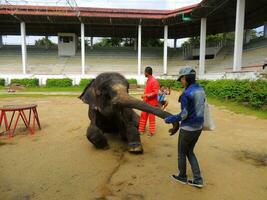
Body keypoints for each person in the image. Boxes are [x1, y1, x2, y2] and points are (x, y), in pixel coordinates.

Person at [164, 67, 205, 188]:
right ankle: (198, 179)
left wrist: (169, 119)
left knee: (181, 153)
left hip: (188, 129)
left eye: (181, 79)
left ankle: (182, 176)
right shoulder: (201, 89)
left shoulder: (186, 94)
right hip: (198, 128)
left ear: (185, 78)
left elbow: (184, 115)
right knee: (190, 152)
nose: (181, 81)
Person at [139, 66, 159, 137]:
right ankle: (141, 130)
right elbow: (148, 90)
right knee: (143, 115)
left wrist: (146, 95)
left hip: (152, 103)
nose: (144, 73)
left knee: (151, 117)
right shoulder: (148, 80)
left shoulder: (154, 81)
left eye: (144, 72)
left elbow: (156, 92)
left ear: (147, 72)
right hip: (146, 102)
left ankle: (151, 132)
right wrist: (144, 96)